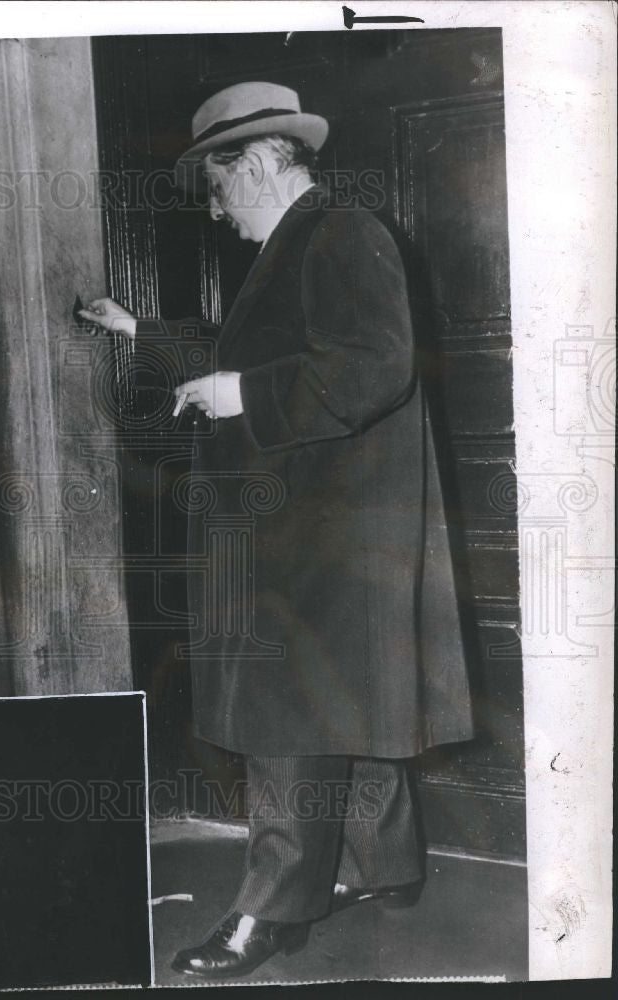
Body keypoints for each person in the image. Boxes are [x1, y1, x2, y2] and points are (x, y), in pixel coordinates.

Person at [80, 81, 474, 980]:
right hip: (323, 533)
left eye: (219, 189)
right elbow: (252, 351)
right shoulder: (306, 243)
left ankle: (272, 912)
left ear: (256, 163)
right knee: (353, 704)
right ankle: (388, 870)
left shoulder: (343, 233)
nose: (216, 213)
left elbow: (374, 367)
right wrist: (141, 329)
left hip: (318, 537)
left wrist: (242, 396)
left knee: (287, 718)